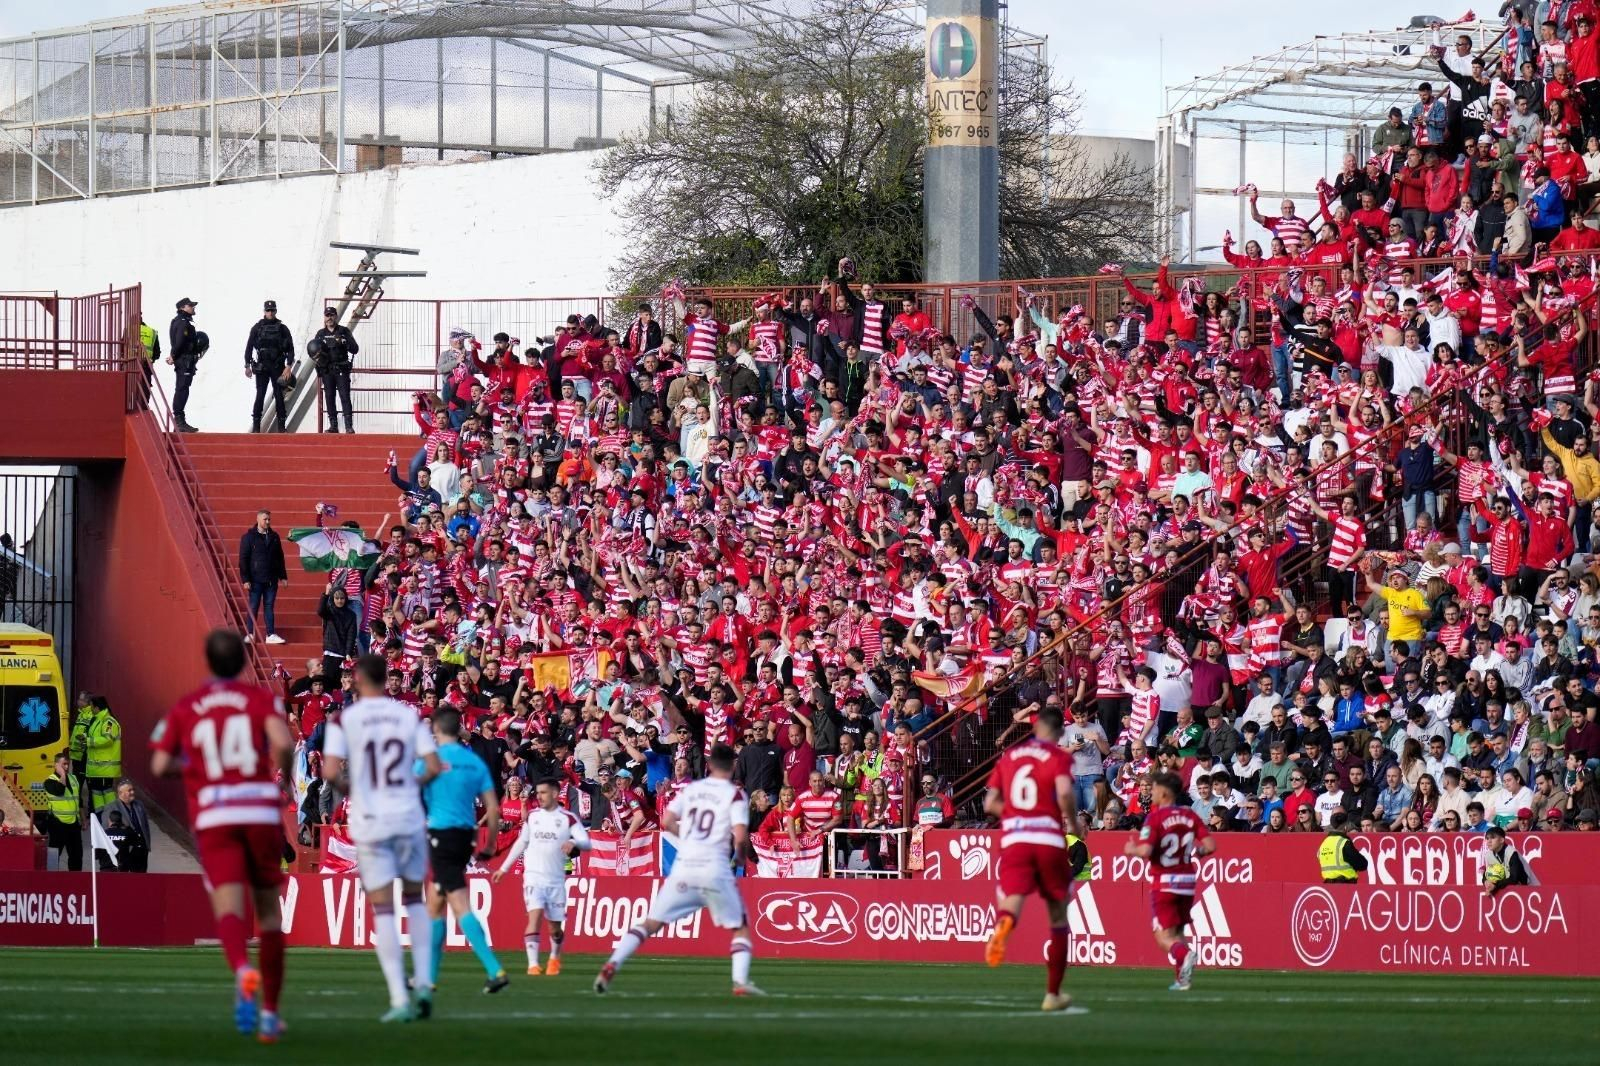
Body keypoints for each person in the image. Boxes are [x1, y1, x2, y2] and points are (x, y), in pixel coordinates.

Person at [150, 630, 294, 1042]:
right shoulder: (259, 699)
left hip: (215, 812)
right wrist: (280, 780)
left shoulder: (187, 706)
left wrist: (197, 768)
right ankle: (269, 1014)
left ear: (208, 662)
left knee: (229, 907)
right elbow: (283, 742)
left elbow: (160, 764)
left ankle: (242, 970)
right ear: (243, 662)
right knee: (268, 913)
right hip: (258, 807)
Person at [323, 654, 444, 1022]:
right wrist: (409, 783)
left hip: (372, 818)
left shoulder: (344, 719)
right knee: (415, 899)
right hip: (407, 814)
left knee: (384, 909)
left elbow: (329, 771)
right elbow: (434, 766)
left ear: (358, 678)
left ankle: (399, 1000)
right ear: (387, 677)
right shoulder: (407, 715)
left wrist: (355, 787)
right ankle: (423, 982)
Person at [594, 742, 760, 997]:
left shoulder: (693, 790)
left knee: (650, 924)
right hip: (714, 869)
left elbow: (667, 821)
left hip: (684, 868)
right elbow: (739, 837)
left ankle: (612, 963)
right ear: (733, 765)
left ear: (710, 764)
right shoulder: (735, 794)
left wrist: (689, 837)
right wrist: (740, 859)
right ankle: (739, 982)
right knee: (740, 927)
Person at [981, 706, 1079, 1012]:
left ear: (1035, 729)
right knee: (1058, 916)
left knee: (1012, 899)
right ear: (1060, 732)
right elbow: (1064, 793)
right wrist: (1074, 826)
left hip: (1015, 838)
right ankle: (1053, 994)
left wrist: (1014, 817)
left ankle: (1003, 926)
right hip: (1048, 837)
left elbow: (989, 803)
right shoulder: (1059, 756)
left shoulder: (1010, 756)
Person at [418, 706, 508, 995]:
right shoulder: (474, 762)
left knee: (457, 902)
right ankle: (427, 979)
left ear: (435, 729)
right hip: (466, 837)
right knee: (434, 903)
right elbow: (493, 808)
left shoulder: (429, 761)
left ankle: (495, 969)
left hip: (441, 836)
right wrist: (491, 843)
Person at [1125, 771, 1215, 992]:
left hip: (1164, 881)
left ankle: (1185, 955)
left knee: (1162, 936)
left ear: (1164, 792)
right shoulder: (1190, 815)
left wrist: (1131, 850)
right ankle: (1182, 980)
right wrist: (1199, 852)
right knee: (1178, 932)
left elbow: (1146, 850)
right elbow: (1211, 846)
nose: (1151, 792)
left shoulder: (1155, 817)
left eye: (1154, 788)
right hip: (1187, 880)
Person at [495, 776, 592, 976]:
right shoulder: (532, 816)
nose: (539, 796)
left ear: (555, 794)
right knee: (535, 915)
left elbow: (587, 842)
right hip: (533, 876)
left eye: (543, 792)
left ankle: (555, 958)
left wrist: (574, 843)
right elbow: (522, 842)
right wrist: (504, 868)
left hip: (555, 880)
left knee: (555, 928)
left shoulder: (568, 818)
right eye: (537, 792)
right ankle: (533, 965)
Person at [244, 299, 294, 433]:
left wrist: (288, 366)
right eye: (268, 310)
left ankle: (282, 427)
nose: (270, 313)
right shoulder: (257, 327)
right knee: (260, 395)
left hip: (278, 366)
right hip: (262, 366)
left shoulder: (282, 328)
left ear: (276, 311)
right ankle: (256, 427)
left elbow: (290, 349)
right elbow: (249, 347)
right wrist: (247, 365)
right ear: (264, 311)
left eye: (272, 310)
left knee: (279, 395)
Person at [239, 509, 288, 645]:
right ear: (258, 519)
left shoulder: (274, 537)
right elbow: (243, 559)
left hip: (271, 579)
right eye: (265, 519)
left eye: (269, 519)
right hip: (255, 580)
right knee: (253, 606)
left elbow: (280, 557)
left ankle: (270, 634)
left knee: (269, 606)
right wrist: (245, 579)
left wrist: (283, 576)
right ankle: (250, 633)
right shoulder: (248, 537)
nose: (267, 522)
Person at [311, 307, 361, 434]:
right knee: (329, 397)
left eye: (331, 315)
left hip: (341, 370)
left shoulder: (344, 331)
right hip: (327, 371)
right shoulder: (320, 334)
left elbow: (355, 349)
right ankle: (333, 426)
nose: (329, 318)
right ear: (324, 317)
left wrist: (345, 343)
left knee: (345, 397)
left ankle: (348, 426)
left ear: (336, 316)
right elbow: (313, 351)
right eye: (327, 315)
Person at [167, 296, 206, 433]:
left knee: (183, 388)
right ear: (182, 308)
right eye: (190, 306)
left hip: (184, 360)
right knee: (182, 389)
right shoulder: (183, 322)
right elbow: (179, 342)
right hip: (184, 361)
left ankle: (180, 420)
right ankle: (179, 421)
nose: (193, 307)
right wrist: (173, 355)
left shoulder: (180, 321)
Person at [40, 752, 82, 871]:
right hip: (57, 824)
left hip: (74, 824)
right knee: (54, 855)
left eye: (68, 764)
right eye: (64, 764)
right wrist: (62, 774)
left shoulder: (73, 779)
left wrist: (83, 819)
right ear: (56, 765)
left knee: (76, 856)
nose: (67, 767)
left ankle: (76, 881)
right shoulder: (49, 782)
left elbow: (79, 800)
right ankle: (51, 881)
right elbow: (59, 791)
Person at [99, 779, 151, 873]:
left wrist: (147, 845)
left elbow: (145, 827)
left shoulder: (139, 805)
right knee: (124, 880)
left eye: (133, 789)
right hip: (125, 852)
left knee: (141, 879)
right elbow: (107, 831)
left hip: (141, 850)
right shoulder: (111, 807)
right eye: (129, 790)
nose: (133, 792)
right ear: (120, 793)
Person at [82, 696, 122, 814]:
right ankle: (100, 817)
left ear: (97, 708)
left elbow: (107, 739)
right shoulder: (98, 720)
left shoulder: (109, 721)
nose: (90, 709)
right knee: (97, 793)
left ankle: (113, 818)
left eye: (92, 706)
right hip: (98, 768)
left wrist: (89, 741)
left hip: (105, 768)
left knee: (107, 793)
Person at [1318, 811, 1368, 884]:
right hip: (1345, 885)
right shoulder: (1343, 843)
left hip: (1328, 886)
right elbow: (1362, 864)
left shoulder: (1324, 843)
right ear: (1345, 827)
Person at [1482, 825, 1531, 894]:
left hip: (1529, 887)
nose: (1489, 841)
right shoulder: (1489, 855)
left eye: (1492, 838)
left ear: (1502, 840)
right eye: (1487, 838)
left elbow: (1514, 878)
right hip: (1512, 891)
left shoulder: (1511, 853)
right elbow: (1486, 874)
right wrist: (1486, 882)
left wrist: (1495, 884)